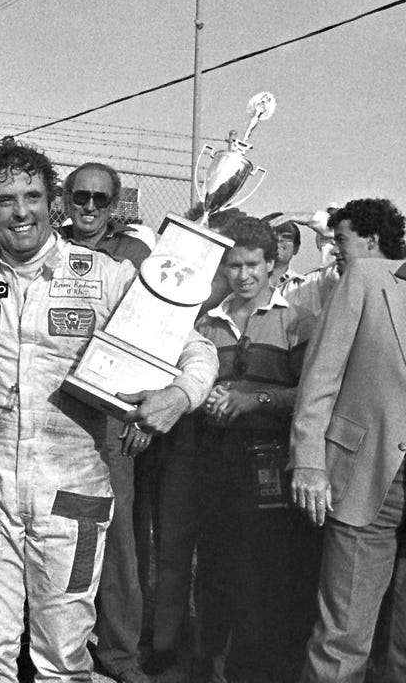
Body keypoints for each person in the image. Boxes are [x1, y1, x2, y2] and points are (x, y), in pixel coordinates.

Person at [0, 138, 217, 682]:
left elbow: (195, 347)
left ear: (53, 201)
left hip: (72, 494)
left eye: (31, 196)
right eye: (5, 200)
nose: (21, 211)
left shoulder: (103, 274)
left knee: (63, 661)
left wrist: (179, 395)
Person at [191, 217, 319, 683]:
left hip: (270, 461)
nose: (243, 276)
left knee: (264, 570)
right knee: (215, 563)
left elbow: (312, 393)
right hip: (213, 457)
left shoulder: (298, 321)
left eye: (252, 265)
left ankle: (256, 663)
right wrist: (203, 396)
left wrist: (256, 400)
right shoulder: (208, 321)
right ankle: (210, 661)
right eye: (233, 266)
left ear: (272, 265)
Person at [290, 199, 406, 683]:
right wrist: (309, 463)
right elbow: (320, 379)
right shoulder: (368, 278)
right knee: (343, 640)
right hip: (368, 479)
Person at [57, 161, 152, 683]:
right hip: (52, 412)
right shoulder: (45, 247)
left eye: (100, 199)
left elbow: (153, 335)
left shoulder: (135, 256)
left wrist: (144, 408)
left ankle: (119, 655)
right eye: (80, 197)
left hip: (113, 418)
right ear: (65, 200)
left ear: (114, 207)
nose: (89, 207)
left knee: (117, 544)